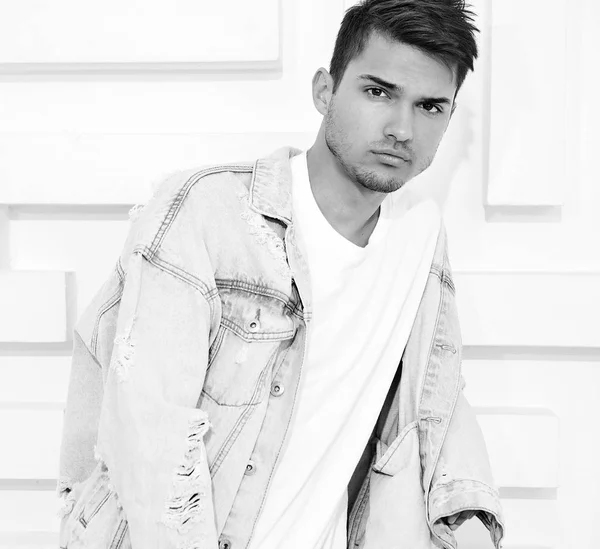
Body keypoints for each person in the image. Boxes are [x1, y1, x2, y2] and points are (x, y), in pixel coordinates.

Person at [58, 0, 505, 548]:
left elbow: (437, 410)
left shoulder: (418, 241)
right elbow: (150, 442)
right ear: (324, 90)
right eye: (378, 91)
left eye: (431, 106)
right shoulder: (207, 212)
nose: (401, 128)